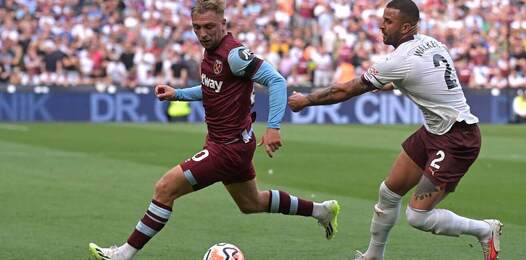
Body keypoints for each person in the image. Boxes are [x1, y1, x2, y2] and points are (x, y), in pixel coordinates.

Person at [88, 1, 340, 259]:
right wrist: (179, 94)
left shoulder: (234, 54)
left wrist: (273, 126)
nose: (203, 33)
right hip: (231, 144)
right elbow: (212, 88)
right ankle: (320, 210)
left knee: (165, 188)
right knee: (251, 203)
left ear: (223, 24)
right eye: (197, 28)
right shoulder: (212, 52)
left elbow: (276, 80)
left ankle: (123, 254)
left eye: (209, 26)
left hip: (227, 148)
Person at [288, 1, 502, 260]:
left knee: (417, 216)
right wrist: (391, 82)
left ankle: (485, 230)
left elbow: (343, 90)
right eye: (383, 19)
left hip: (456, 138)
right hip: (435, 131)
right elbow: (423, 77)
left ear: (407, 27)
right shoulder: (431, 42)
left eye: (388, 21)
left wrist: (307, 100)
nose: (381, 25)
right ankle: (373, 256)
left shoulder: (400, 59)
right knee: (388, 192)